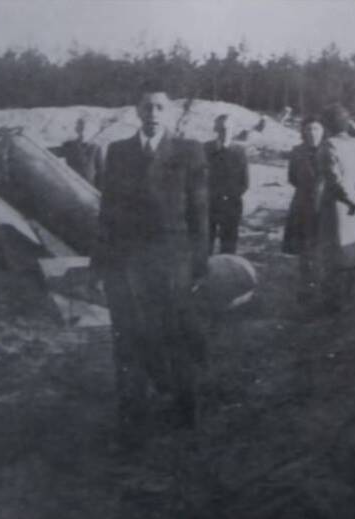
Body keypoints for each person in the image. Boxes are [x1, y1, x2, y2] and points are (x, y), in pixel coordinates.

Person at [91, 83, 209, 445]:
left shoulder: (189, 151)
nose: (153, 114)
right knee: (128, 335)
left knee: (175, 331)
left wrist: (199, 263)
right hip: (126, 261)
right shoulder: (119, 152)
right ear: (136, 111)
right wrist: (101, 261)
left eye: (159, 107)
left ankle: (185, 408)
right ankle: (132, 415)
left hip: (172, 259)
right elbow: (107, 211)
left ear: (169, 111)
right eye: (146, 107)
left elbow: (200, 211)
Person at [316, 103, 355, 312]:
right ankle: (354, 299)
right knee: (352, 250)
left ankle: (334, 303)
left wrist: (350, 201)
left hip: (337, 207)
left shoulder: (329, 145)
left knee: (334, 254)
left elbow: (334, 181)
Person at [282, 116, 325, 302]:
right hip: (302, 204)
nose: (311, 133)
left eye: (315, 129)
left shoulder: (328, 150)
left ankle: (322, 285)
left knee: (322, 245)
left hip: (324, 204)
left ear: (323, 131)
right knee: (304, 247)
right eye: (307, 129)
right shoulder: (297, 152)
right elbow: (292, 178)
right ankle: (306, 285)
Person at [204, 114, 249, 254]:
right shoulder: (205, 148)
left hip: (231, 204)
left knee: (228, 245)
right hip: (208, 203)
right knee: (205, 242)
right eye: (222, 128)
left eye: (229, 128)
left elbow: (244, 181)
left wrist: (228, 196)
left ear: (234, 129)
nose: (225, 131)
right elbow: (198, 176)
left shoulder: (240, 152)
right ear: (215, 128)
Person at [60, 117, 104, 188]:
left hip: (86, 186)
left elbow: (101, 171)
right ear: (77, 129)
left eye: (84, 127)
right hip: (69, 182)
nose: (83, 129)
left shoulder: (95, 147)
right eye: (80, 126)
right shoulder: (69, 143)